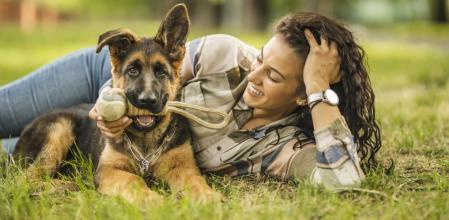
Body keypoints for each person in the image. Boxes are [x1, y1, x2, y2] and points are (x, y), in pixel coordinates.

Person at [0, 12, 381, 190]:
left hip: (130, 135)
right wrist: (109, 107)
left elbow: (343, 180)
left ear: (302, 96)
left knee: (12, 154)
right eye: (261, 57)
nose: (254, 74)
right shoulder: (226, 53)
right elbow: (148, 66)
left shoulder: (283, 148)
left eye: (274, 76)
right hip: (104, 78)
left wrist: (319, 88)